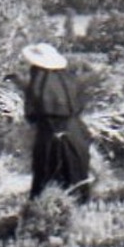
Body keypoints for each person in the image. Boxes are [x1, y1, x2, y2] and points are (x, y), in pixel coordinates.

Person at [21, 42, 93, 201]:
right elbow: (78, 106)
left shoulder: (39, 82)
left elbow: (33, 114)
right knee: (75, 175)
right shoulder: (68, 81)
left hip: (50, 135)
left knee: (46, 175)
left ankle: (46, 209)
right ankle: (76, 209)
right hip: (75, 134)